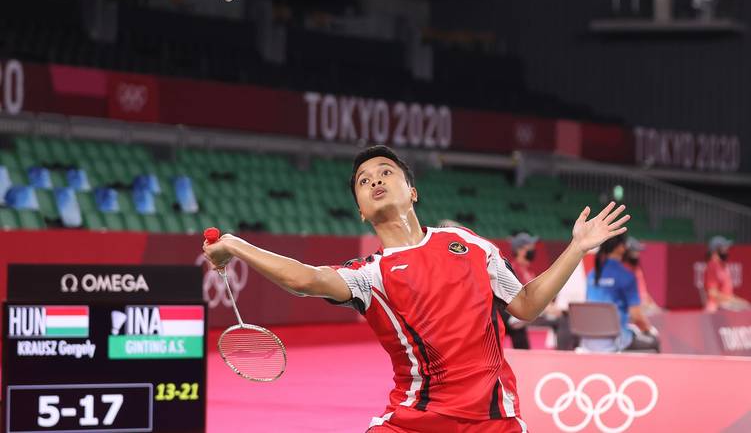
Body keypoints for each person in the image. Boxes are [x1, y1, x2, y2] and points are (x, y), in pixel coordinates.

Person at [203, 145, 630, 433]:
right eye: (363, 181)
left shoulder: (468, 244)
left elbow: (525, 305)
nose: (374, 180)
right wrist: (237, 246)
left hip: (493, 418)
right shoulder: (368, 274)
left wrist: (577, 247)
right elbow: (304, 278)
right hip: (414, 421)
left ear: (412, 191)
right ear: (360, 211)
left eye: (386, 172)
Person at [582, 234, 660, 353]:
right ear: (621, 248)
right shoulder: (626, 276)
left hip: (588, 341)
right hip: (617, 340)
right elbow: (637, 316)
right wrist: (648, 330)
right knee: (654, 342)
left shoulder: (592, 275)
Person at [500, 232, 538, 349]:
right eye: (530, 246)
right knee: (517, 324)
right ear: (520, 250)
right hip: (513, 314)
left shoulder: (530, 272)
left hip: (532, 311)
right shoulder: (511, 270)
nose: (534, 249)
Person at [703, 235, 751, 313]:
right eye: (724, 248)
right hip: (716, 309)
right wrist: (734, 301)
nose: (727, 250)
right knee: (747, 310)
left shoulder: (722, 266)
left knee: (747, 307)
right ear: (716, 250)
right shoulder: (712, 266)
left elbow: (727, 294)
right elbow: (713, 293)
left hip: (726, 305)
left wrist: (739, 301)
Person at [621, 237, 661, 315]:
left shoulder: (636, 268)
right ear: (627, 250)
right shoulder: (621, 269)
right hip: (631, 309)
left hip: (643, 306)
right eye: (635, 250)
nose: (638, 253)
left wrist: (652, 303)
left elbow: (642, 289)